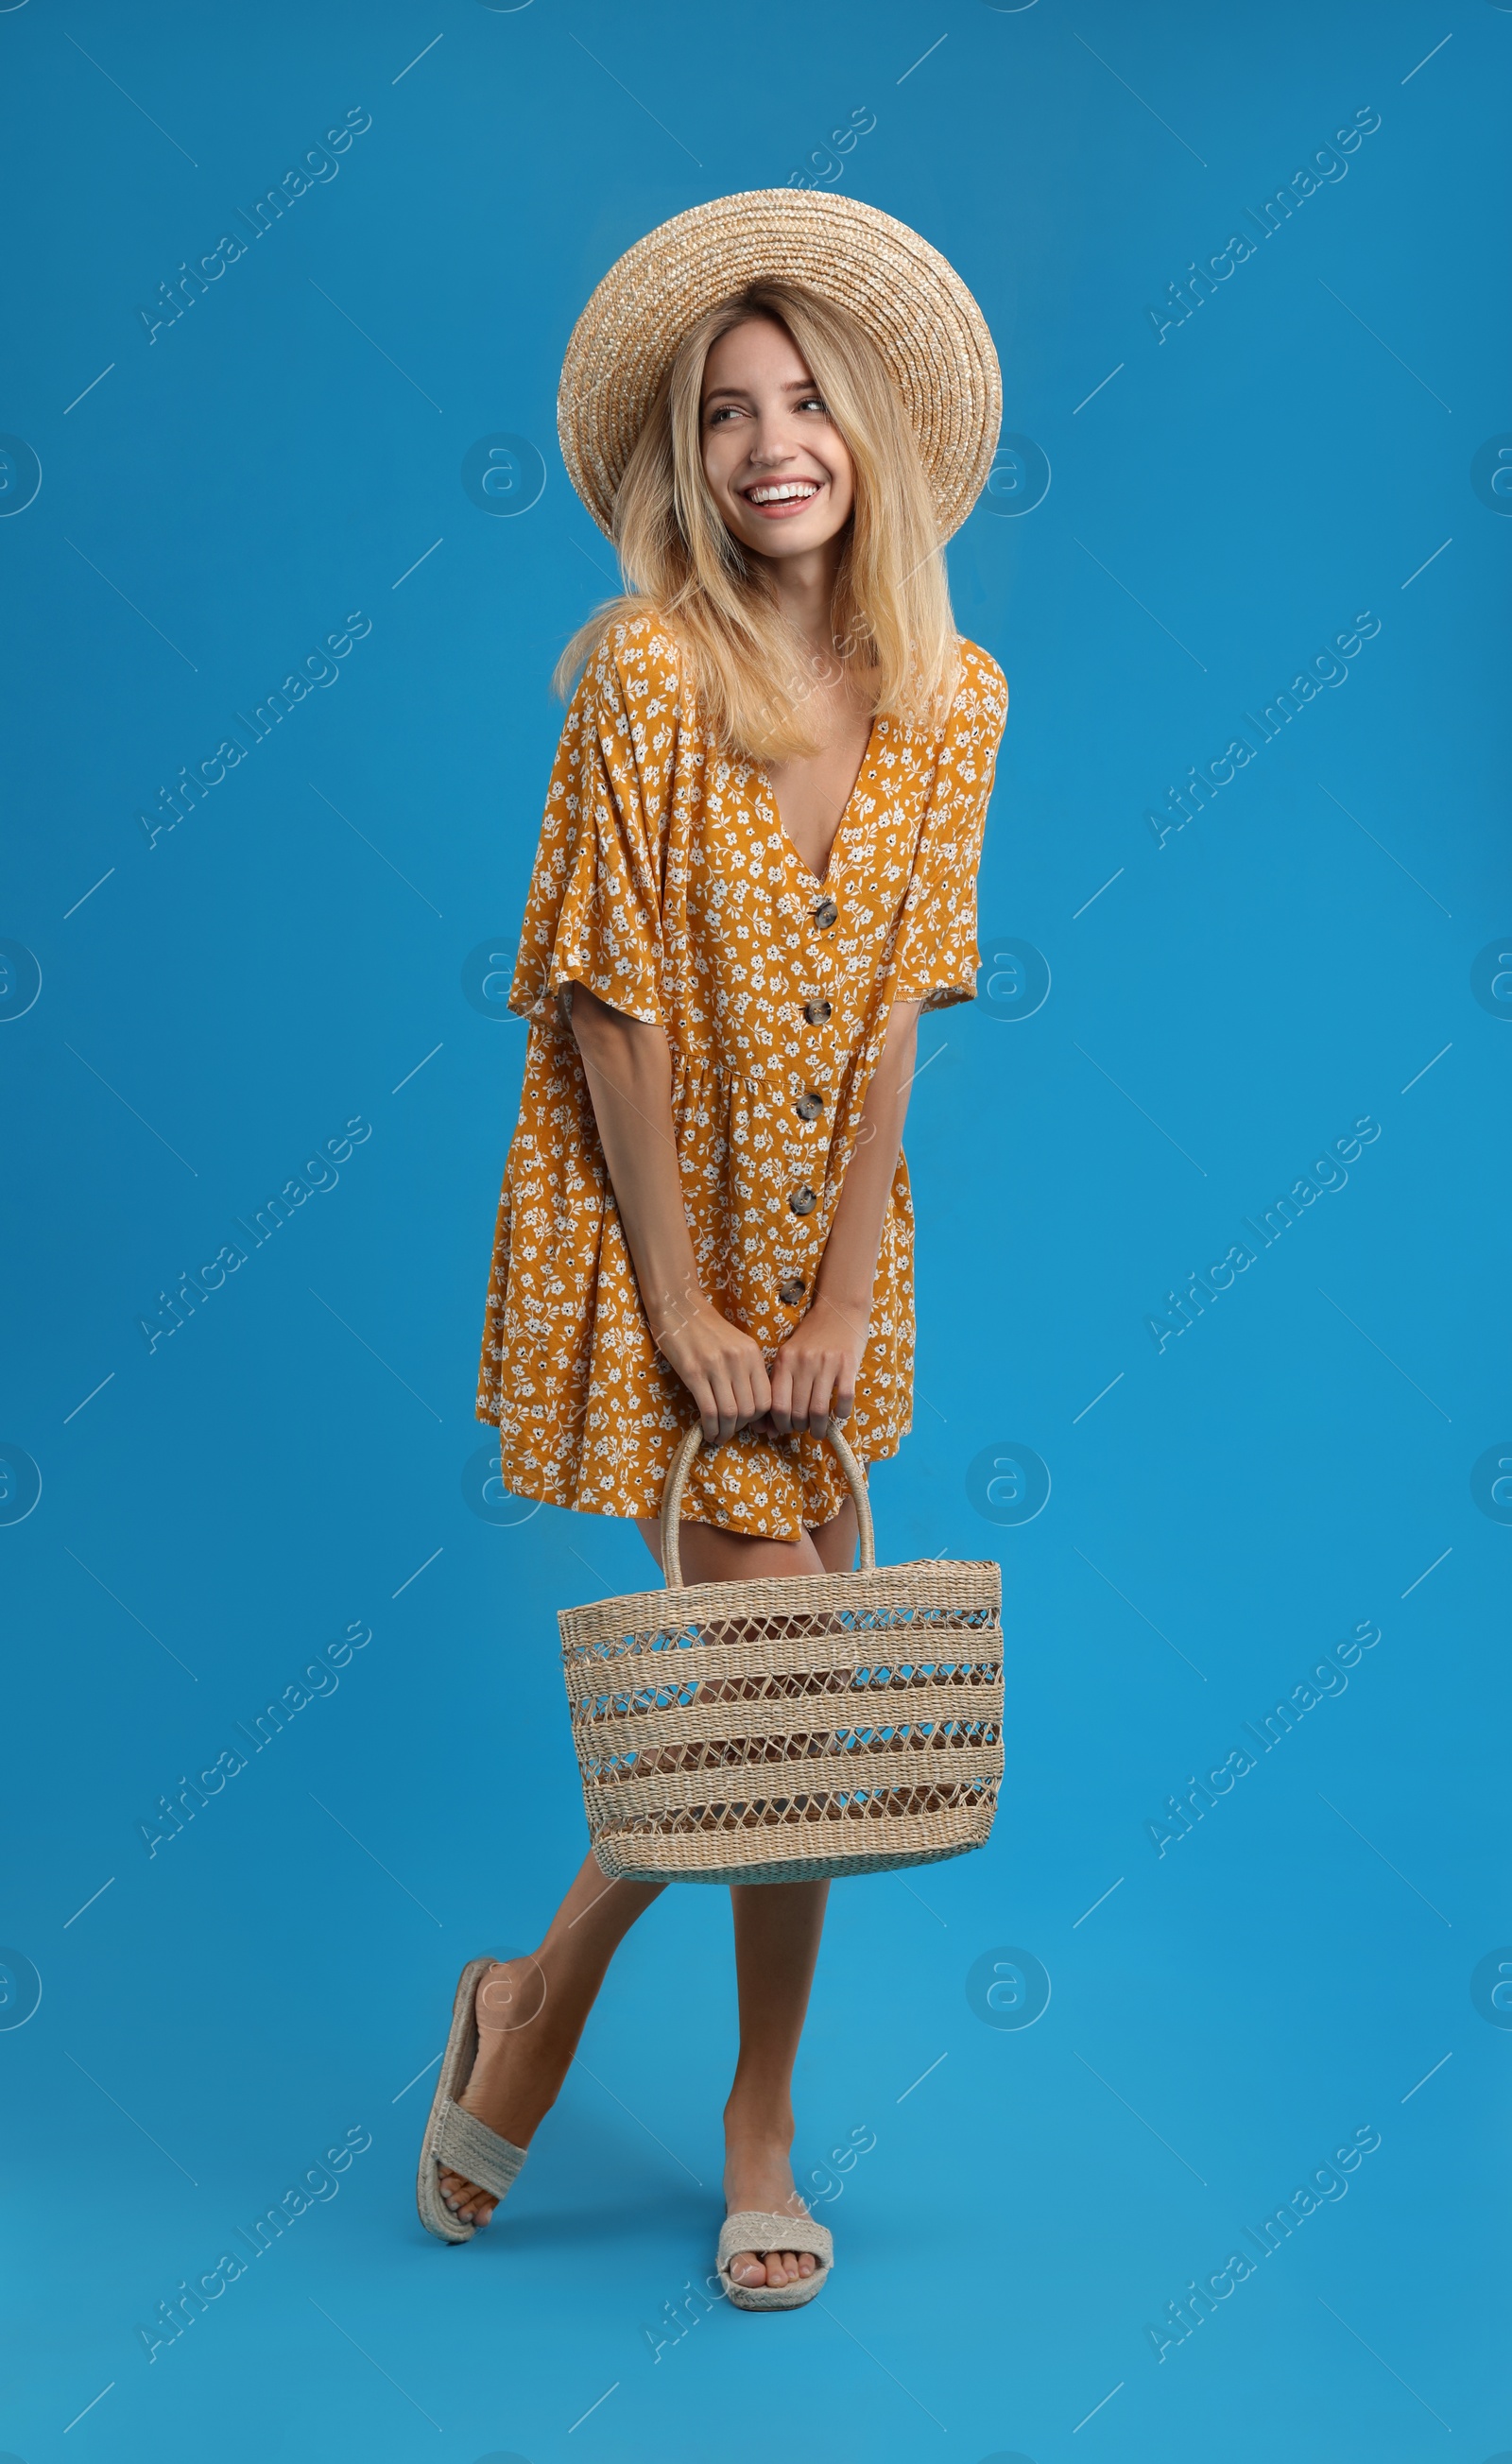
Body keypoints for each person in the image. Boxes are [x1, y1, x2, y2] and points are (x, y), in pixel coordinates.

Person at [417, 190, 1007, 2311]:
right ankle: (672, 2071)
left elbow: (900, 1013)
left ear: (865, 434)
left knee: (789, 1695)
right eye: (727, 408)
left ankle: (547, 1992)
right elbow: (602, 997)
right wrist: (683, 1299)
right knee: (783, 1679)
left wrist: (840, 1288)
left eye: (804, 402)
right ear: (687, 452)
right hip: (647, 1203)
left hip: (825, 1224)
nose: (771, 441)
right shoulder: (647, 674)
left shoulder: (955, 696)